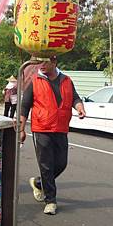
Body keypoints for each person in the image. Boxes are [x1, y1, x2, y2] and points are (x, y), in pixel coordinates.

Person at [19, 56, 86, 215]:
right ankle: (50, 201)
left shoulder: (67, 80)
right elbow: (24, 106)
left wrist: (79, 107)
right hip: (41, 128)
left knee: (61, 163)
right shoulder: (35, 81)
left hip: (61, 128)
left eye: (45, 62)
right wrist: (21, 129)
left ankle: (38, 182)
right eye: (39, 62)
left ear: (54, 63)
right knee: (46, 165)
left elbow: (75, 97)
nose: (41, 66)